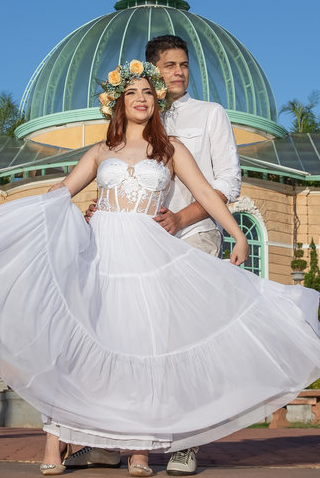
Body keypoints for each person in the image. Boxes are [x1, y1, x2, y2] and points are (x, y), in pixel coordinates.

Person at [0, 60, 320, 477]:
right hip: (102, 252)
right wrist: (11, 225)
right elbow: (60, 193)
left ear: (157, 101)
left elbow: (206, 191)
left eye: (149, 92)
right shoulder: (100, 152)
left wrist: (238, 234)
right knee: (80, 343)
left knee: (142, 346)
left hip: (148, 254)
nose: (142, 99)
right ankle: (55, 445)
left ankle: (139, 449)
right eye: (133, 93)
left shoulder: (170, 151)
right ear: (118, 102)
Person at [66, 35, 242, 475]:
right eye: (168, 65)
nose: (178, 72)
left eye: (184, 64)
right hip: (132, 242)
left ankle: (184, 441)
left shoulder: (210, 114)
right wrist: (107, 210)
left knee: (182, 340)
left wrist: (181, 219)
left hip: (192, 235)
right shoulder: (135, 115)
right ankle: (111, 441)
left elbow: (226, 184)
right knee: (122, 337)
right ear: (145, 73)